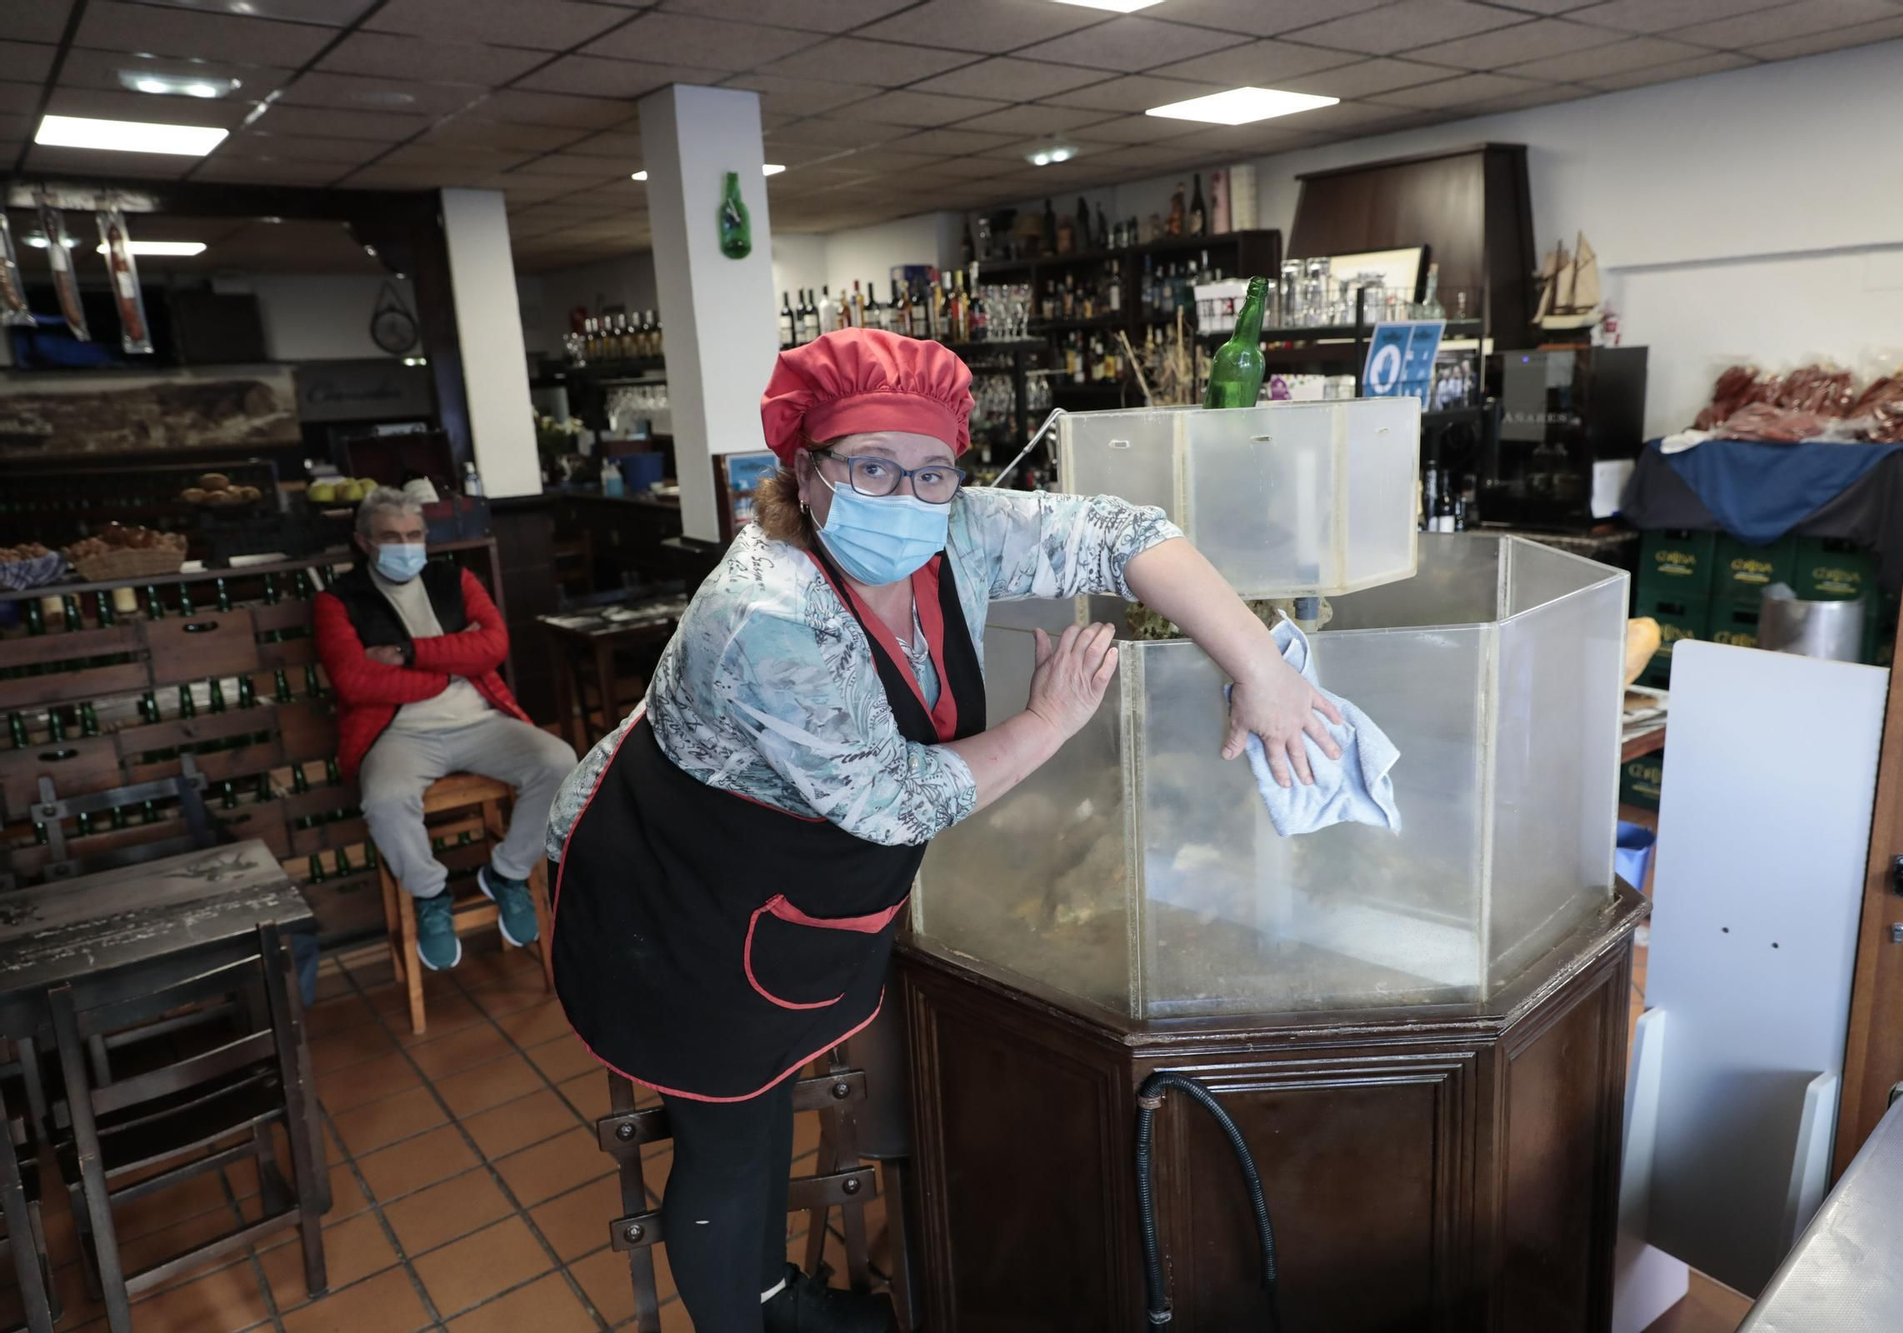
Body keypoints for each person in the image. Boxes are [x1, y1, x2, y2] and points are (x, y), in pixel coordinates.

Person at [543, 329, 1340, 1333]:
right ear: (805, 468)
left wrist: (1261, 669)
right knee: (730, 1138)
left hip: (778, 876)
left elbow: (1122, 530)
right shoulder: (765, 612)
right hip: (675, 890)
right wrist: (1046, 723)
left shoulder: (953, 529)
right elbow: (895, 801)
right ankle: (745, 1309)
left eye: (931, 469)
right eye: (870, 465)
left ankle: (773, 1292)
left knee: (769, 1104)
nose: (907, 494)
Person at [315, 486, 577, 972]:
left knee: (560, 761)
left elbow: (494, 645)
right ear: (363, 541)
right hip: (398, 735)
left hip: (480, 721)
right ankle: (430, 895)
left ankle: (508, 874)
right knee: (386, 799)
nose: (405, 544)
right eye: (390, 536)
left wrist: (409, 654)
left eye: (414, 534)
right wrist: (450, 662)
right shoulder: (338, 600)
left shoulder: (454, 579)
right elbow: (352, 680)